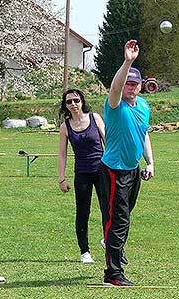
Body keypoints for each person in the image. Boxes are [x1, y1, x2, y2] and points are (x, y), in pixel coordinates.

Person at [100, 40, 154, 286]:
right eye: (128, 84)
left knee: (124, 217)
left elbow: (143, 134)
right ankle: (113, 273)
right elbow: (115, 87)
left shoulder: (143, 105)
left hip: (133, 169)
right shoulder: (114, 106)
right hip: (114, 169)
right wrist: (128, 61)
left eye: (135, 84)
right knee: (117, 219)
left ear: (140, 86)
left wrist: (150, 162)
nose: (130, 88)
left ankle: (115, 251)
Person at [58, 89, 105, 264]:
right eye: (69, 102)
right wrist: (61, 178)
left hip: (102, 171)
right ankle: (84, 251)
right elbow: (62, 154)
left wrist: (116, 169)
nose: (73, 104)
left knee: (107, 208)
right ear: (65, 105)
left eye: (76, 100)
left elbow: (108, 142)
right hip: (82, 173)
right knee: (83, 212)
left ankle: (109, 242)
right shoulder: (65, 126)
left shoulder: (95, 118)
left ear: (82, 101)